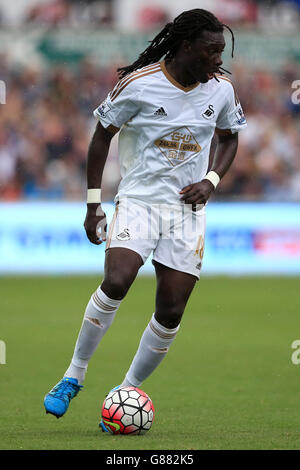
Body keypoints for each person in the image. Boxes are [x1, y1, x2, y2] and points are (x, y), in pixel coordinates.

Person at [44, 8, 247, 429]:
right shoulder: (138, 84)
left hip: (187, 212)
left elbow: (229, 139)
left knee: (171, 309)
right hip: (138, 201)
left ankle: (127, 391)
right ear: (187, 46)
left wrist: (210, 180)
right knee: (117, 280)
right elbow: (101, 137)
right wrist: (92, 204)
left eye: (220, 52)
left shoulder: (222, 90)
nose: (218, 60)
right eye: (211, 51)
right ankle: (73, 375)